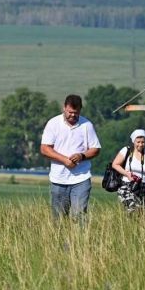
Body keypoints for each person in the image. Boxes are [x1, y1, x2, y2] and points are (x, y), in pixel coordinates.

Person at [40, 94, 101, 222]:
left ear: (80, 110)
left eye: (76, 112)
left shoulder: (87, 125)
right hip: (58, 179)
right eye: (70, 112)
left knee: (79, 215)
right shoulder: (53, 123)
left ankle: (78, 241)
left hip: (81, 178)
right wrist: (64, 160)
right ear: (64, 108)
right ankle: (61, 242)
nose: (73, 115)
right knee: (59, 218)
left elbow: (95, 149)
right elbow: (45, 149)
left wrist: (82, 156)